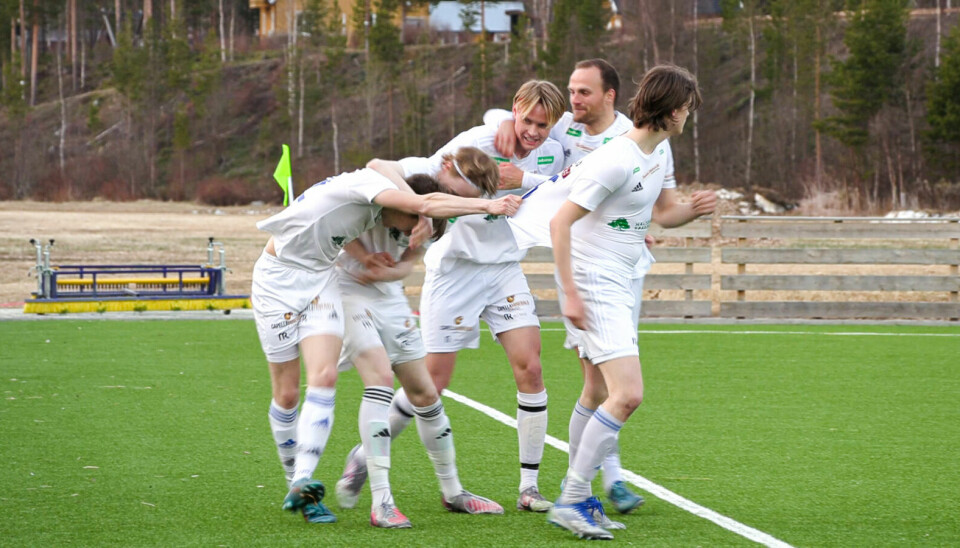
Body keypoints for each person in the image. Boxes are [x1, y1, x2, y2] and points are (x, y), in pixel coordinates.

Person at [336, 80, 567, 513]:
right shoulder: (477, 142)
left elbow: (572, 182)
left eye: (544, 125)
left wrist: (527, 177)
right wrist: (419, 212)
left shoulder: (552, 151)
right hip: (454, 272)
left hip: (503, 270)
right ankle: (362, 457)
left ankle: (530, 488)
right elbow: (419, 175)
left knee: (531, 369)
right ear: (515, 109)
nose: (534, 132)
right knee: (433, 382)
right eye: (527, 121)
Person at [255, 165, 521, 525]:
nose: (410, 232)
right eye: (413, 220)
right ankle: (361, 497)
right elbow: (382, 167)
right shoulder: (377, 187)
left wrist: (399, 252)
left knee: (415, 391)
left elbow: (416, 219)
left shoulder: (407, 212)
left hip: (334, 283)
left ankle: (450, 492)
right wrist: (487, 206)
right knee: (292, 392)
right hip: (301, 282)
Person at [543, 64, 716, 540]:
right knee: (628, 394)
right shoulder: (616, 158)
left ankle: (580, 497)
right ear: (672, 109)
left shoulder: (655, 152)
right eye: (687, 108)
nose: (688, 116)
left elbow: (657, 214)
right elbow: (560, 222)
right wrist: (570, 292)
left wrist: (689, 212)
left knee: (596, 392)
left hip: (619, 279)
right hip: (595, 283)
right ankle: (571, 499)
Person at [487, 58, 657, 514]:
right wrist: (503, 121)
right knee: (605, 384)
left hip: (619, 266)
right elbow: (515, 121)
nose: (573, 100)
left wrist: (635, 224)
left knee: (609, 383)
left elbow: (646, 198)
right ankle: (594, 483)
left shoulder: (633, 139)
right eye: (571, 90)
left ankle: (590, 482)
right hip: (584, 267)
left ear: (609, 96)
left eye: (583, 92)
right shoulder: (564, 127)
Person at [331, 148, 505, 528]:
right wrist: (366, 257)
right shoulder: (401, 180)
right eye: (461, 191)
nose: (461, 200)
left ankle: (453, 492)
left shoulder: (440, 216)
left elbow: (409, 263)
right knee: (379, 380)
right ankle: (382, 502)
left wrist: (385, 273)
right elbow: (343, 224)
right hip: (345, 289)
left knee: (425, 393)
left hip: (387, 295)